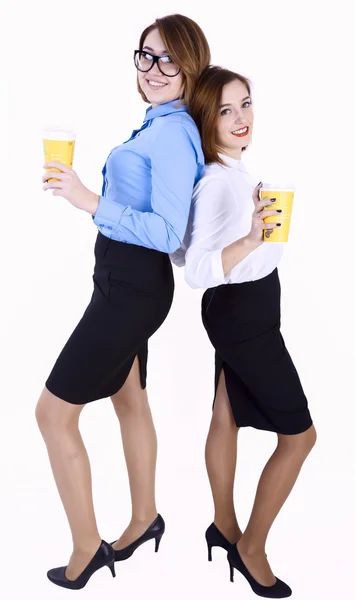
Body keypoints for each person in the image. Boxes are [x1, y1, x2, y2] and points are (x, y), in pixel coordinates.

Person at [36, 14, 210, 590]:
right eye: (146, 56)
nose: (154, 69)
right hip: (123, 281)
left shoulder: (174, 133)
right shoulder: (157, 124)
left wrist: (88, 198)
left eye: (168, 59)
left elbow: (168, 232)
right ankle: (144, 520)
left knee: (53, 414)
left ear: (191, 66)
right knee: (128, 399)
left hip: (132, 289)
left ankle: (88, 549)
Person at [179, 66, 317, 598]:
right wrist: (255, 236)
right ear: (205, 120)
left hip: (248, 306)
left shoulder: (233, 173)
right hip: (244, 314)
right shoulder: (217, 182)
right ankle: (251, 546)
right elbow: (195, 270)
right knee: (300, 436)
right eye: (225, 110)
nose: (240, 118)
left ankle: (222, 524)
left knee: (226, 413)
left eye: (246, 104)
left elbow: (197, 248)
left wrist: (254, 234)